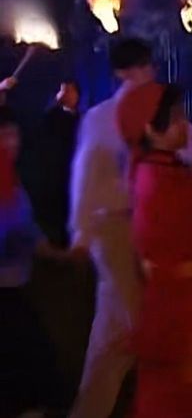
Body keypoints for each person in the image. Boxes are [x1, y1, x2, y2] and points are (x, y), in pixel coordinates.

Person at [68, 37, 192, 418]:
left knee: (135, 330)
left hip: (159, 227)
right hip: (117, 228)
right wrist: (82, 233)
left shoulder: (167, 115)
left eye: (146, 66)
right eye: (134, 68)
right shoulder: (101, 118)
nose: (142, 75)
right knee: (124, 326)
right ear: (119, 74)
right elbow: (85, 178)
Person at [116, 82, 192, 418]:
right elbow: (165, 253)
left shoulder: (167, 171)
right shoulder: (155, 181)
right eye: (175, 118)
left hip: (191, 306)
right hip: (182, 312)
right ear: (150, 129)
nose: (184, 124)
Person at [0, 105, 78, 417]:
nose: (11, 143)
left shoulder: (14, 183)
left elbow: (29, 232)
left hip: (15, 289)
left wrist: (62, 255)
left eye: (14, 135)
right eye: (4, 136)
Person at [32, 81, 81, 247]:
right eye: (62, 90)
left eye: (69, 91)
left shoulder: (83, 119)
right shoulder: (53, 116)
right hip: (56, 172)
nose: (65, 94)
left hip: (75, 172)